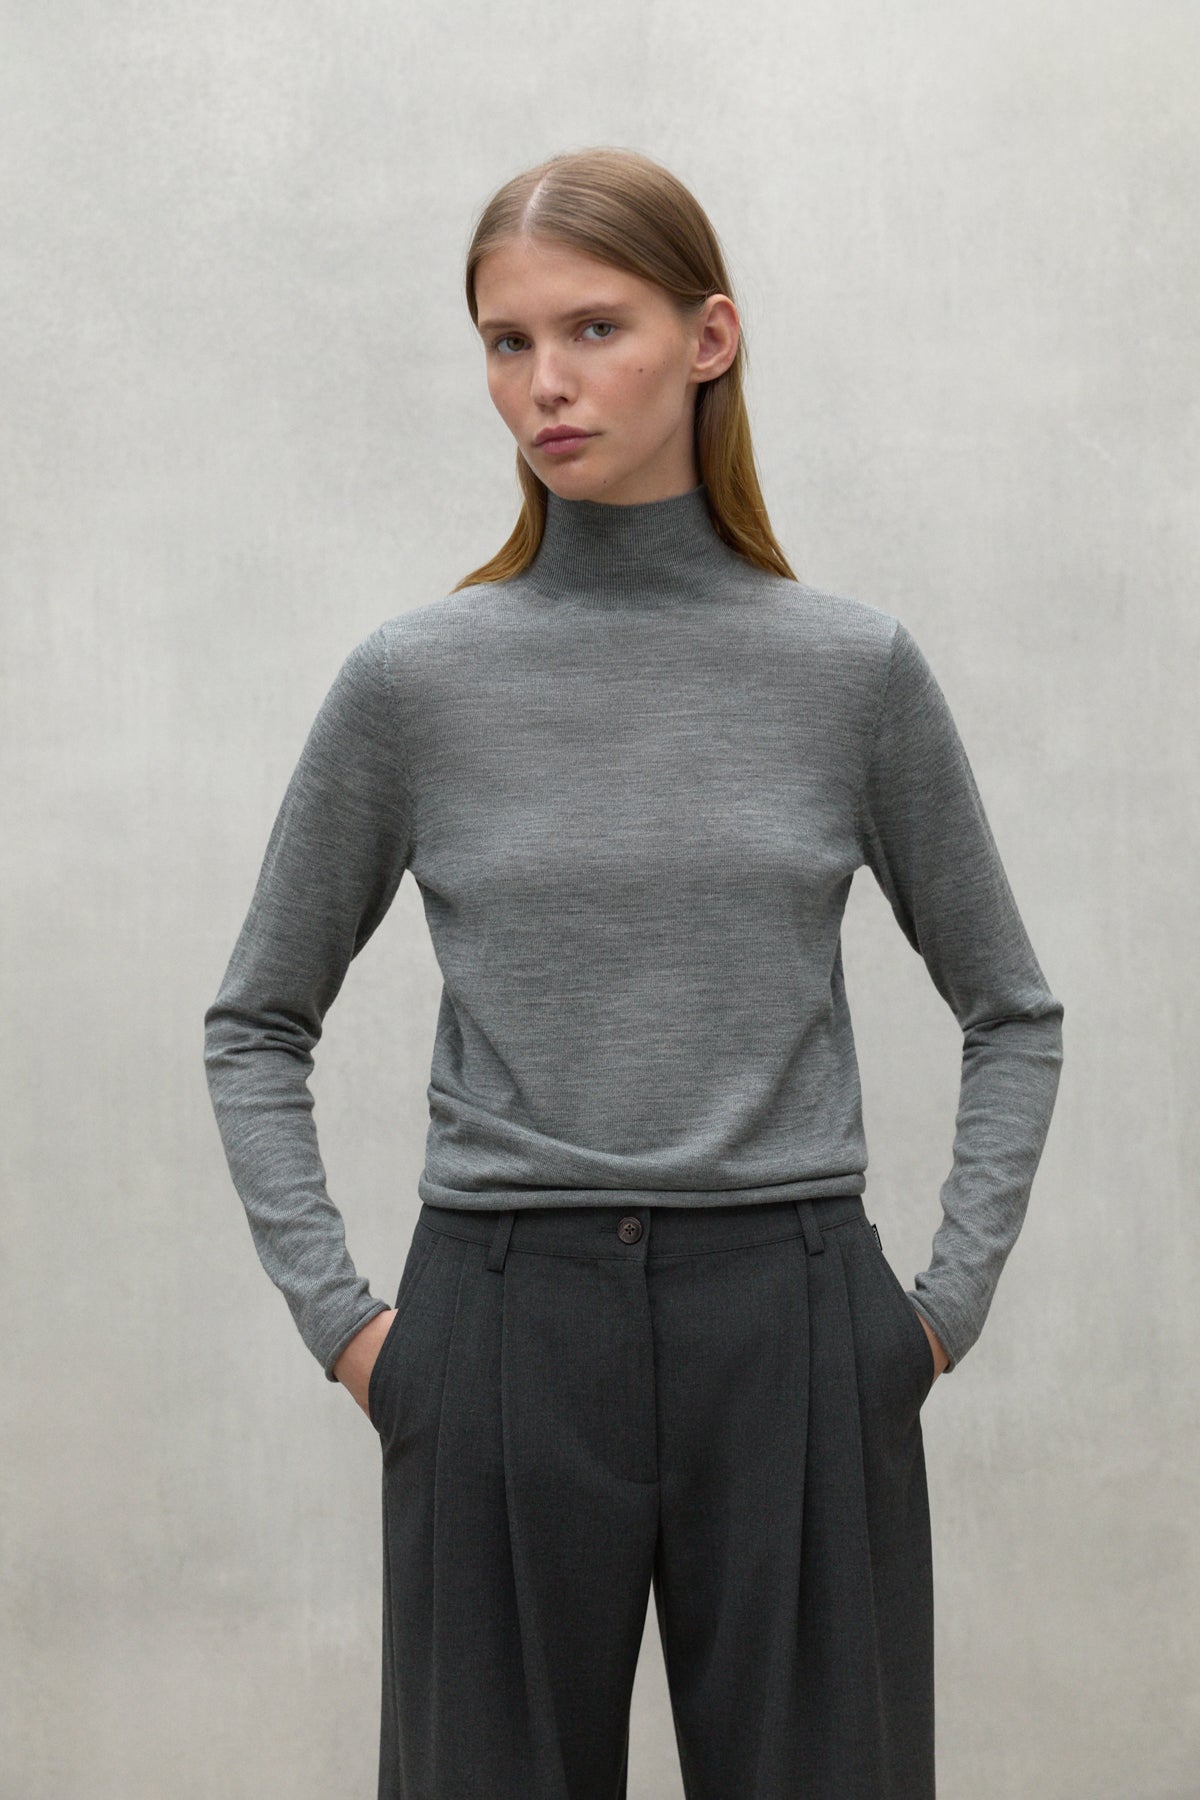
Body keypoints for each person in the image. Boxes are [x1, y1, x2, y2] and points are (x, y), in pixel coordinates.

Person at [203, 145, 1064, 1800]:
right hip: (500, 1327)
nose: (546, 382)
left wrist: (932, 1319)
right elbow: (255, 1022)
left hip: (792, 1323)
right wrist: (358, 1332)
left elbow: (1011, 1010)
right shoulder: (414, 683)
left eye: (594, 328)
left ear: (708, 338)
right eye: (507, 342)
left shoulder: (851, 672)